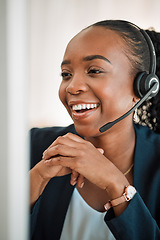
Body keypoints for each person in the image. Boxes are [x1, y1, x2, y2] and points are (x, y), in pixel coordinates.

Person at [30, 20, 160, 240]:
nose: (72, 87)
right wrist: (37, 177)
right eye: (66, 74)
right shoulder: (34, 146)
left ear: (142, 88)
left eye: (94, 70)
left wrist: (116, 184)